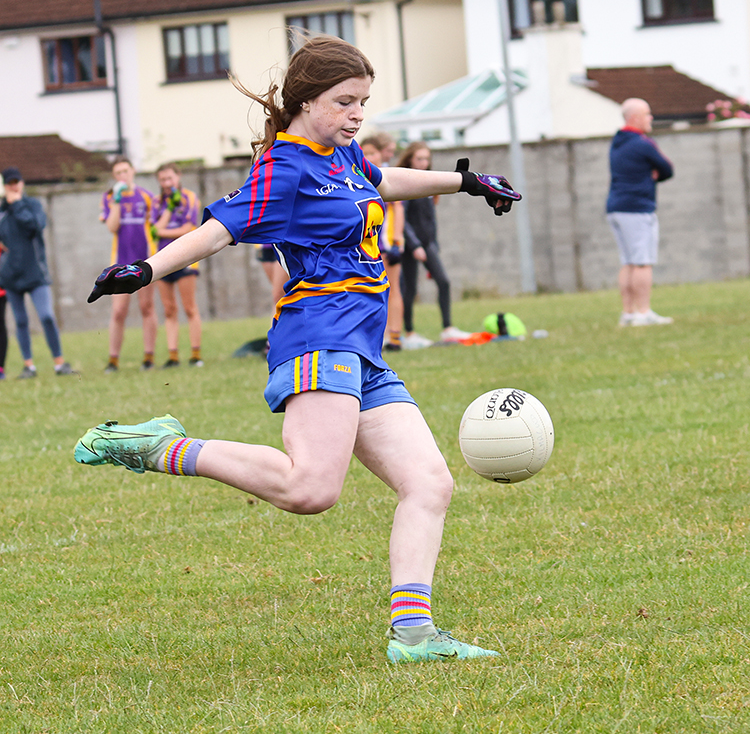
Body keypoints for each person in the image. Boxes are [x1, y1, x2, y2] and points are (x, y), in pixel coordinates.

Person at [74, 36, 519, 664]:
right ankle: (159, 446)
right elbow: (217, 231)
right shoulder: (284, 170)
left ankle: (413, 636)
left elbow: (382, 180)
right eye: (345, 102)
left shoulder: (343, 155)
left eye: (364, 101)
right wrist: (145, 268)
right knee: (311, 490)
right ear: (308, 101)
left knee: (428, 482)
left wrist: (465, 182)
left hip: (361, 347)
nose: (358, 114)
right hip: (318, 335)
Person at [0, 167, 76, 378]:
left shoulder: (31, 205)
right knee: (21, 321)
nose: (14, 186)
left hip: (36, 273)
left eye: (17, 182)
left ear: (22, 183)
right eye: (10, 183)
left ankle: (60, 364)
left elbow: (35, 226)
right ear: (5, 186)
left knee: (47, 316)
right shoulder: (2, 211)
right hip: (11, 275)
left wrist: (17, 204)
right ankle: (29, 366)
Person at [606, 98, 674, 327]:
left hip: (616, 208)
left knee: (629, 262)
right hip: (636, 209)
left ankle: (628, 313)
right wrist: (654, 173)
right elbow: (667, 168)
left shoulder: (617, 143)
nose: (651, 118)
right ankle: (643, 314)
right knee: (643, 262)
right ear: (634, 118)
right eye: (647, 114)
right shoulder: (643, 143)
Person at [396, 142, 469, 348]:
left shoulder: (429, 184)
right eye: (419, 158)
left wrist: (433, 245)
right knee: (409, 289)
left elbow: (431, 219)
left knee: (443, 282)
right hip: (411, 246)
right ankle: (409, 333)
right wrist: (415, 245)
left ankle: (448, 328)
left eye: (427, 159)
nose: (424, 163)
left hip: (428, 244)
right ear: (410, 159)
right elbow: (403, 219)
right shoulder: (407, 182)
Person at [100, 157, 158, 371]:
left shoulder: (146, 196)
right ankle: (113, 360)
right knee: (118, 311)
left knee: (146, 306)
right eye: (118, 173)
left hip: (144, 260)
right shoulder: (109, 197)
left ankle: (149, 358)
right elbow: (112, 227)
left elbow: (155, 226)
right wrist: (116, 202)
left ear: (133, 171)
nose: (122, 176)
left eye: (125, 171)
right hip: (120, 262)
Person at [152, 163, 203, 368]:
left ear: (178, 177)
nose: (166, 183)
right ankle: (173, 355)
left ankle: (195, 354)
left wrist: (162, 232)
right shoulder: (157, 202)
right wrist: (170, 209)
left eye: (170, 179)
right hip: (162, 258)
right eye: (162, 180)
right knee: (169, 309)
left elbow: (189, 228)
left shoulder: (189, 198)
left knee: (189, 307)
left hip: (186, 258)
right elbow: (154, 229)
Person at [360, 135, 404, 351]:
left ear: (381, 154)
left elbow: (399, 209)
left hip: (388, 244)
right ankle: (379, 336)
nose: (368, 157)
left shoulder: (385, 177)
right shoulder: (357, 177)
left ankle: (395, 335)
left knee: (392, 288)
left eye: (372, 153)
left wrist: (397, 241)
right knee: (372, 290)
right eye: (364, 153)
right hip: (368, 247)